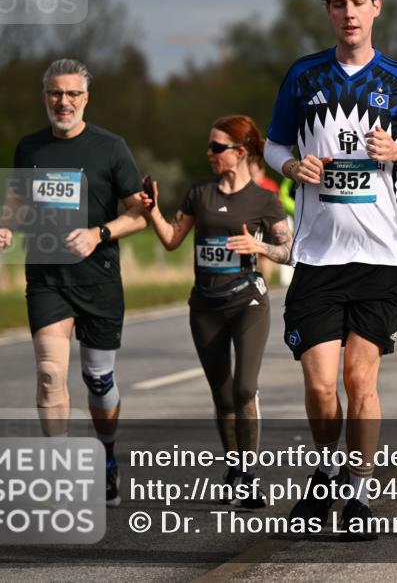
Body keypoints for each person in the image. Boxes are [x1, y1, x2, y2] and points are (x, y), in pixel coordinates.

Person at [261, 0, 397, 539]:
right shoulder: (304, 75)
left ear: (377, 7)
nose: (349, 12)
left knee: (361, 383)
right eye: (339, 3)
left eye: (359, 2)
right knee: (319, 385)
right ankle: (327, 468)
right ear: (329, 13)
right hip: (317, 257)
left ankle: (357, 495)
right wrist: (291, 165)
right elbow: (271, 145)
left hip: (381, 260)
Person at [0, 58, 147, 507]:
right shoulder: (30, 149)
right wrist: (5, 226)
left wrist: (99, 233)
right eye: (56, 93)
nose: (64, 102)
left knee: (98, 380)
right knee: (48, 374)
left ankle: (107, 454)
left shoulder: (111, 148)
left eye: (73, 94)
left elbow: (138, 215)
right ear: (45, 97)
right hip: (46, 278)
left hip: (97, 280)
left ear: (86, 98)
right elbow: (16, 201)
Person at [138, 115, 291, 507]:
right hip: (205, 306)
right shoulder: (199, 193)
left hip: (248, 303)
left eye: (217, 148)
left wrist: (261, 249)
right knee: (222, 397)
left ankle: (251, 476)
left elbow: (291, 252)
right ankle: (235, 468)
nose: (209, 153)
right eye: (209, 146)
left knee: (244, 389)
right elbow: (173, 240)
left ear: (240, 152)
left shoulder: (264, 200)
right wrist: (152, 210)